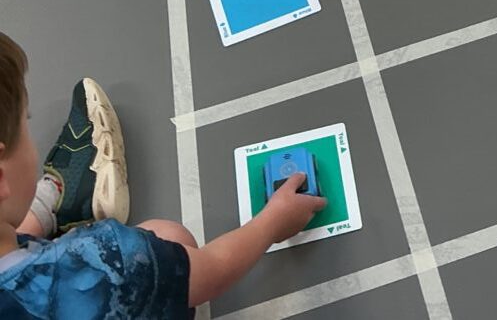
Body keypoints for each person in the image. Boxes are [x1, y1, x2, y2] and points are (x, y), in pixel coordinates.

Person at [0, 33, 324, 317]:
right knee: (171, 237)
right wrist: (272, 223)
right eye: (26, 122)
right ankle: (55, 201)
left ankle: (44, 210)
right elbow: (211, 271)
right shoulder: (103, 265)